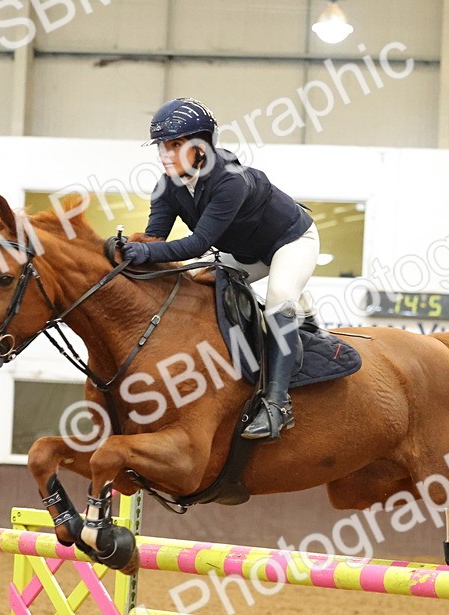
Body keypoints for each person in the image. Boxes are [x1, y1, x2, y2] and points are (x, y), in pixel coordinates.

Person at [120, 98, 318, 441]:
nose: (165, 154)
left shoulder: (230, 180)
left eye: (175, 145)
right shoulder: (167, 186)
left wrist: (144, 250)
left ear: (201, 147)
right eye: (162, 147)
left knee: (280, 297)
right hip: (244, 253)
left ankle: (277, 405)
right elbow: (155, 240)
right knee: (201, 287)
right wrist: (123, 251)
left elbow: (197, 244)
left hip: (290, 242)